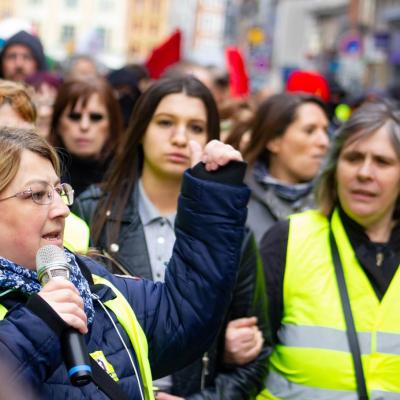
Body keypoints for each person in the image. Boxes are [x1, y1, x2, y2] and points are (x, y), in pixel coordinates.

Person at [0, 127, 248, 399]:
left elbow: (182, 317)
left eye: (59, 191)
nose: (62, 210)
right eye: (37, 194)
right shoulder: (36, 318)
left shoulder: (89, 281)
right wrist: (36, 327)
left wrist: (212, 197)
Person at [73, 76, 270, 399]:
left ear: (210, 139)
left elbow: (257, 355)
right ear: (140, 131)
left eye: (195, 127)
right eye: (165, 123)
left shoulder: (228, 230)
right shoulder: (93, 210)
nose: (180, 138)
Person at [259, 100, 400, 399]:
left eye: (382, 162)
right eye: (353, 157)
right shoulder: (290, 239)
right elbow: (243, 365)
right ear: (334, 169)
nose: (364, 172)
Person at [243, 92, 329, 242]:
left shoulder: (334, 202)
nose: (324, 142)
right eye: (309, 131)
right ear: (273, 141)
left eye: (326, 131)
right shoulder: (237, 201)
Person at [48, 77, 124, 196]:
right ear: (58, 123)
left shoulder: (130, 178)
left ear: (111, 125)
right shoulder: (39, 176)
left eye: (96, 117)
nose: (84, 126)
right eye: (74, 116)